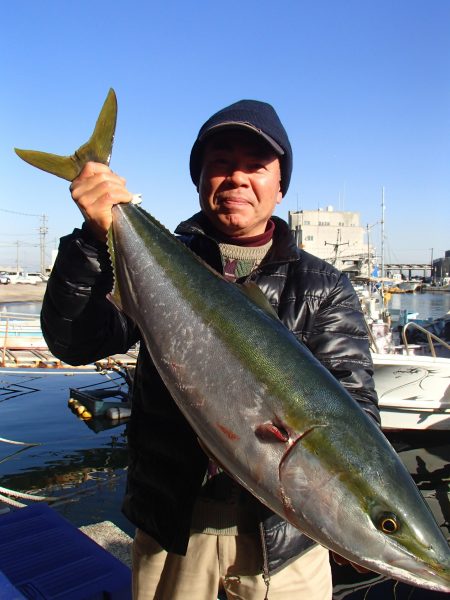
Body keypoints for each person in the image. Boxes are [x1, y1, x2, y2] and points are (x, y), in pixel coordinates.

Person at [41, 99, 379, 600]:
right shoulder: (158, 258)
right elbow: (76, 342)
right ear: (199, 181)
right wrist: (94, 240)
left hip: (286, 546)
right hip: (177, 531)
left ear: (280, 185)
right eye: (221, 163)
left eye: (256, 165)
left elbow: (356, 413)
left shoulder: (323, 286)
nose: (237, 177)